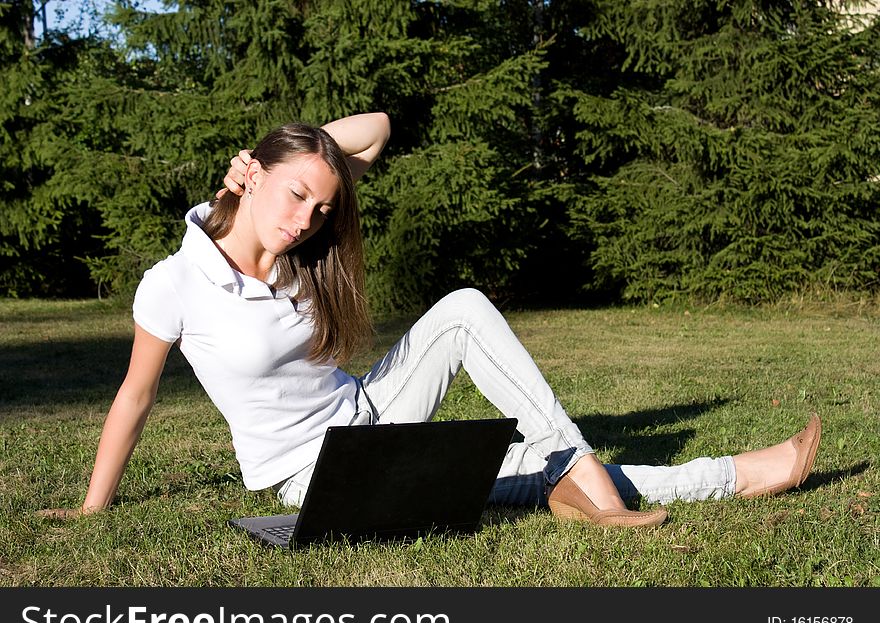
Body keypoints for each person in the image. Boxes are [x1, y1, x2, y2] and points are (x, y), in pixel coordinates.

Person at [39, 112, 822, 528]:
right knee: (511, 476)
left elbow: (375, 126)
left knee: (464, 311)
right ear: (254, 179)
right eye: (294, 196)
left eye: (321, 206)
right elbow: (134, 398)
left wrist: (279, 159)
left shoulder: (295, 238)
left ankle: (581, 469)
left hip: (370, 409)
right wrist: (90, 508)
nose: (309, 219)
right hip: (311, 473)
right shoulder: (175, 283)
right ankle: (730, 475)